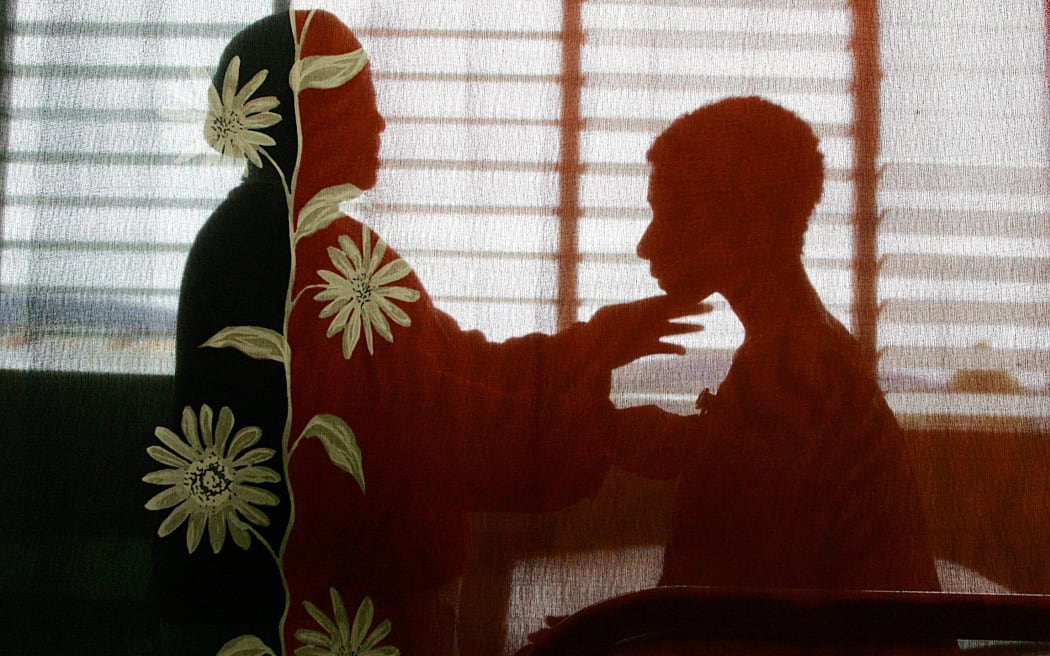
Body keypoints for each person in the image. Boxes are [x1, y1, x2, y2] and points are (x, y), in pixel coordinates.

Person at [144, 11, 705, 656]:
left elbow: (448, 370)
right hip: (311, 612)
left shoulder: (264, 235)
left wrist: (594, 344)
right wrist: (608, 435)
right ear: (306, 116)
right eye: (359, 102)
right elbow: (435, 417)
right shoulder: (305, 254)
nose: (380, 124)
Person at [630, 97, 941, 594]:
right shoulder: (809, 344)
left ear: (746, 224)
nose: (646, 245)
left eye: (670, 215)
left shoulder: (786, 369)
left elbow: (734, 605)